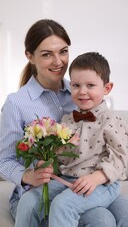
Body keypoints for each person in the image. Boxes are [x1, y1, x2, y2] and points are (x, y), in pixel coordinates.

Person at [0, 19, 128, 227]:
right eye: (47, 54)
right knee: (102, 219)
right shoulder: (17, 103)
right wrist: (30, 173)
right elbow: (5, 162)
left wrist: (98, 177)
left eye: (63, 51)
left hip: (89, 180)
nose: (58, 61)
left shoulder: (81, 88)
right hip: (49, 185)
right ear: (30, 57)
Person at [48, 51, 128, 226]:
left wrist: (97, 178)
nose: (82, 92)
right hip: (70, 181)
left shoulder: (112, 120)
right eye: (76, 85)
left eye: (90, 85)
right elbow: (59, 155)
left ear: (107, 88)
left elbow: (122, 158)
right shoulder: (66, 121)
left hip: (102, 183)